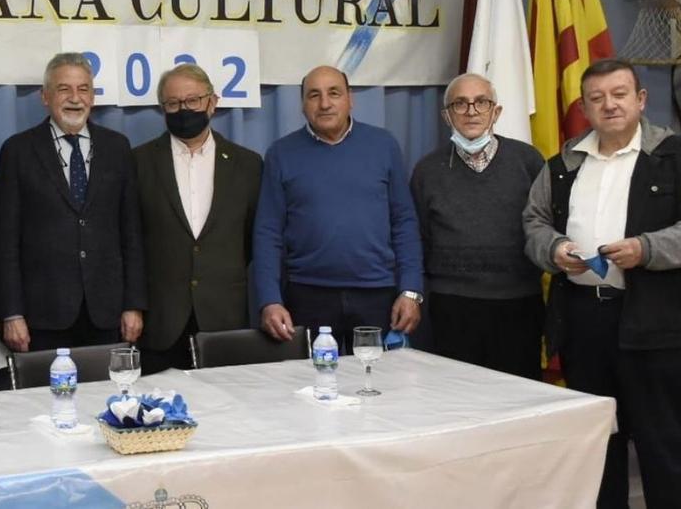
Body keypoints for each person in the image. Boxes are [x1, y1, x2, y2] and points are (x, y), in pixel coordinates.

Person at [524, 59, 681, 507]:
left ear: (640, 100)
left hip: (656, 326)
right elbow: (532, 221)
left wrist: (647, 249)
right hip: (583, 321)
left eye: (618, 94)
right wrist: (553, 250)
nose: (609, 105)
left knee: (662, 445)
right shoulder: (562, 163)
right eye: (597, 98)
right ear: (585, 108)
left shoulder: (673, 156)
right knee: (598, 444)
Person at [252, 65, 423, 353]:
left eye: (334, 93)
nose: (325, 103)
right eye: (314, 95)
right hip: (308, 296)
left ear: (350, 99)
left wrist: (411, 291)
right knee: (311, 389)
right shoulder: (281, 153)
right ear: (303, 105)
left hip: (378, 296)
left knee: (381, 388)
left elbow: (404, 222)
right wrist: (269, 300)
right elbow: (268, 232)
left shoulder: (383, 145)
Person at [0, 53, 147, 352]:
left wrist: (134, 304)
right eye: (64, 89)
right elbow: (5, 240)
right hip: (43, 314)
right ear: (45, 96)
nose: (75, 98)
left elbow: (131, 232)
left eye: (83, 89)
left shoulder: (118, 148)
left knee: (109, 397)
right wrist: (11, 312)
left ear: (92, 95)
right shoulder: (18, 151)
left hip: (107, 313)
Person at [410, 74, 544, 380]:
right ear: (447, 116)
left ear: (495, 112)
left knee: (520, 399)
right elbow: (420, 237)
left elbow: (544, 227)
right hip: (452, 306)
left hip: (518, 305)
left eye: (481, 102)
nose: (471, 111)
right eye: (460, 104)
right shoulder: (427, 170)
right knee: (459, 399)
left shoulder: (528, 161)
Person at [133, 64, 261, 372]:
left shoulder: (248, 164)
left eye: (192, 101)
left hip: (223, 320)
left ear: (212, 103)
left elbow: (252, 239)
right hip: (160, 323)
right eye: (173, 103)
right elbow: (130, 241)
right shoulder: (137, 162)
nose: (183, 110)